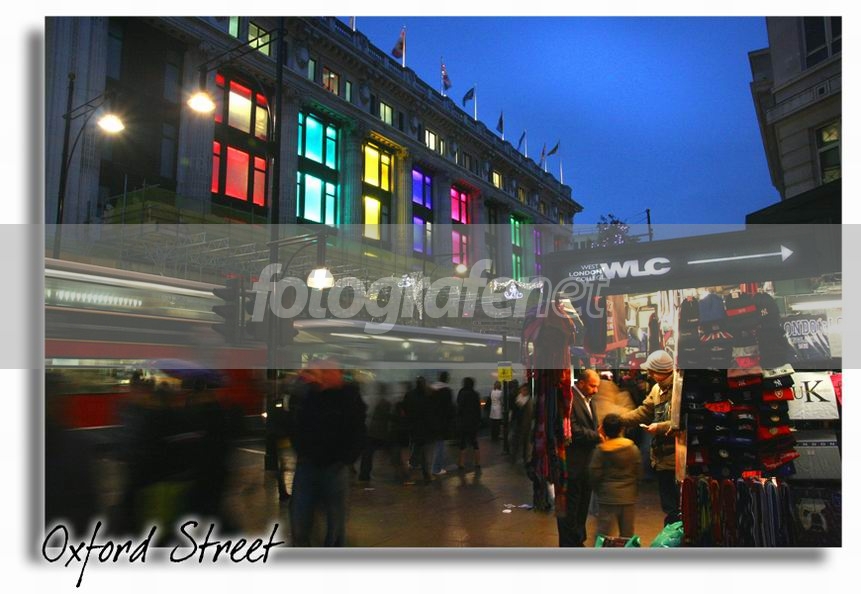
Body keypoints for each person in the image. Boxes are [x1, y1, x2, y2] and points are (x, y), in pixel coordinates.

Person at [287, 359, 367, 546]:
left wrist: (346, 458)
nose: (325, 375)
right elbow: (295, 422)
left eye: (330, 371)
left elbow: (358, 431)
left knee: (334, 515)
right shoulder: (309, 394)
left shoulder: (349, 397)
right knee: (303, 514)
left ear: (339, 374)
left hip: (334, 465)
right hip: (308, 462)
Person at [618, 349, 680, 526]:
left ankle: (678, 536)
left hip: (677, 459)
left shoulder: (679, 388)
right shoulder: (656, 389)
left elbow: (682, 421)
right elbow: (644, 412)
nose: (650, 375)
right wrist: (619, 420)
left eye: (652, 371)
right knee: (669, 506)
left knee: (678, 506)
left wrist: (659, 427)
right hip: (661, 458)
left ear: (661, 370)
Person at [557, 369, 603, 547]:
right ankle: (570, 543)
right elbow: (572, 430)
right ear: (581, 383)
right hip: (573, 464)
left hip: (586, 464)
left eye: (597, 386)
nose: (596, 390)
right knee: (571, 507)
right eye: (592, 386)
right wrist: (597, 436)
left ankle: (578, 539)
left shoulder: (589, 400)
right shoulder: (570, 399)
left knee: (582, 506)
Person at [589, 413, 642, 538]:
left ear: (603, 430)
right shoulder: (632, 448)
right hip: (628, 497)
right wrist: (634, 490)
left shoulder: (601, 450)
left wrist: (599, 491)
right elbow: (638, 472)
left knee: (603, 535)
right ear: (621, 429)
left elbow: (594, 474)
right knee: (627, 535)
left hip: (607, 497)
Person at [402, 376, 434, 483]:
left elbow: (405, 408)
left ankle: (415, 469)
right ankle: (423, 473)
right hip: (424, 427)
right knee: (422, 450)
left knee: (417, 447)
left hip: (413, 426)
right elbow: (430, 412)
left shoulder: (409, 394)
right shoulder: (427, 396)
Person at [430, 371, 455, 475]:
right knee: (440, 446)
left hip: (433, 421)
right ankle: (436, 469)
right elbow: (450, 409)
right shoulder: (447, 391)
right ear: (446, 379)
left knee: (438, 445)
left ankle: (441, 465)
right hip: (442, 422)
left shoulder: (432, 389)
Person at [455, 377, 482, 472]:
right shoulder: (475, 394)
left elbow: (459, 408)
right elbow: (478, 409)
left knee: (462, 443)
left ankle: (461, 463)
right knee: (474, 442)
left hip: (464, 422)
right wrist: (478, 421)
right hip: (473, 422)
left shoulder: (462, 394)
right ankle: (477, 462)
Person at [510, 383, 534, 465]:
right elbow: (514, 411)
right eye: (522, 389)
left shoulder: (529, 401)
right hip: (517, 423)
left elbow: (530, 414)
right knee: (515, 441)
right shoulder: (517, 398)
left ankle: (525, 458)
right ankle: (514, 457)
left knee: (525, 442)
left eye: (525, 390)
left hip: (525, 425)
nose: (523, 391)